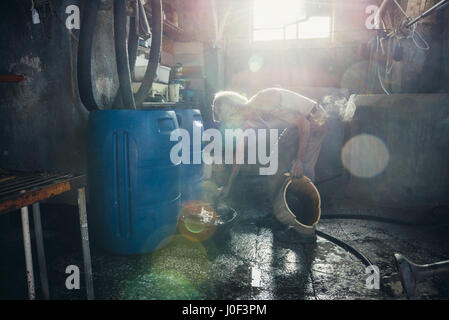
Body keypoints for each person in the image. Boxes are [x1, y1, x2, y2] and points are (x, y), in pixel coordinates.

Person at [212, 87, 328, 199]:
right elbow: (238, 157)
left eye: (228, 120)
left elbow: (304, 124)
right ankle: (279, 203)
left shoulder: (264, 101)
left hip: (315, 119)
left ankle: (306, 208)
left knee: (302, 169)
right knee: (275, 160)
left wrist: (299, 160)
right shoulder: (247, 125)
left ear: (235, 109)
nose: (230, 126)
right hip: (296, 125)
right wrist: (228, 187)